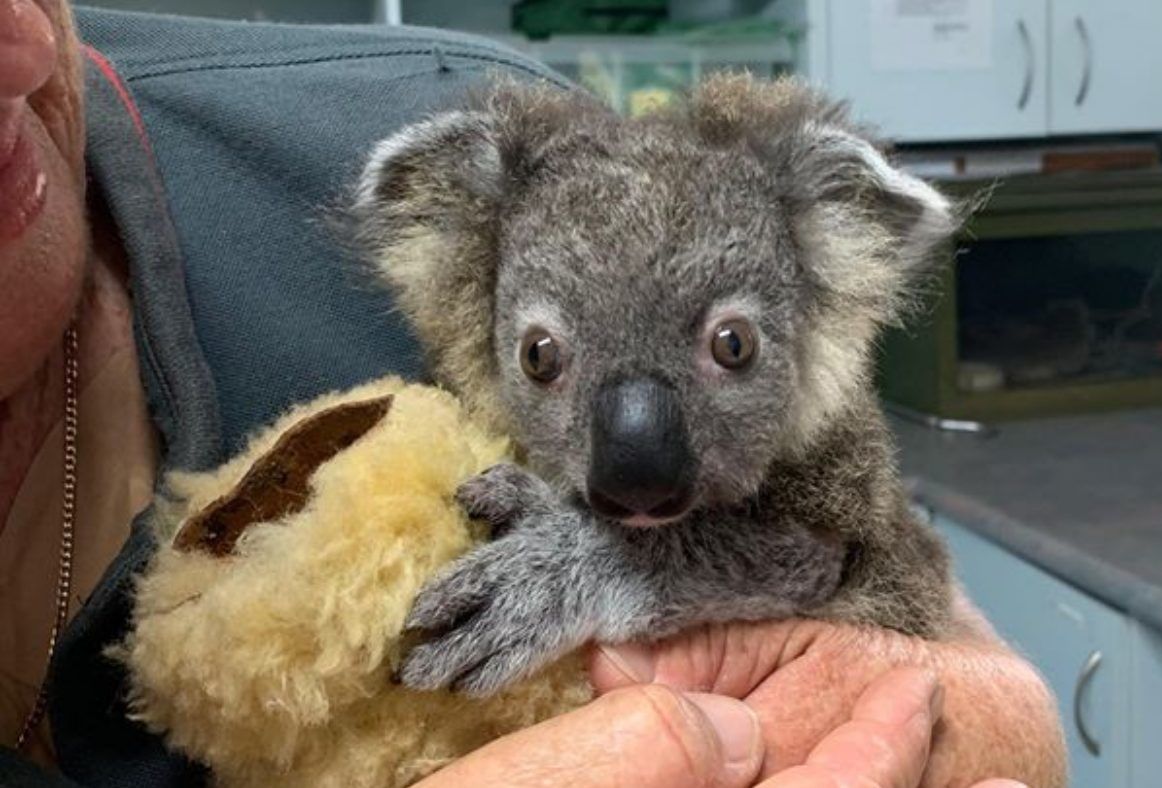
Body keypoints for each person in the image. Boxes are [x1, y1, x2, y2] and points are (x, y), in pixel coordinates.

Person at [0, 0, 1067, 785]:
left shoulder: (518, 131)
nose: (18, 49)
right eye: (546, 359)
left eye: (732, 345)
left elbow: (883, 585)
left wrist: (617, 572)